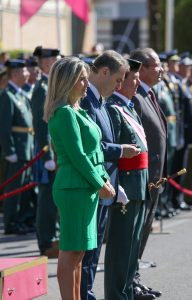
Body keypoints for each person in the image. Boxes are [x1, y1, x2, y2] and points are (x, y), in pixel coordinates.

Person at [43, 56, 115, 300]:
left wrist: (103, 179)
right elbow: (78, 156)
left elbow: (95, 153)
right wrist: (101, 183)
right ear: (67, 82)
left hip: (85, 187)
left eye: (86, 78)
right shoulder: (64, 113)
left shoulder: (78, 111)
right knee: (71, 253)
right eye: (81, 79)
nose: (86, 83)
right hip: (74, 187)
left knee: (80, 253)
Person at [80, 51, 140, 300]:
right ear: (104, 72)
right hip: (91, 184)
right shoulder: (86, 102)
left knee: (94, 250)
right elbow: (91, 147)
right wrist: (121, 150)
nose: (119, 86)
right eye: (117, 80)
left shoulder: (100, 102)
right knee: (86, 250)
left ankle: (88, 292)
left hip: (105, 182)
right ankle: (84, 294)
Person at [105, 58, 155, 300]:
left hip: (139, 182)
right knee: (121, 245)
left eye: (137, 79)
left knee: (133, 244)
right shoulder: (113, 108)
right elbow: (111, 153)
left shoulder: (129, 106)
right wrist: (117, 185)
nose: (136, 84)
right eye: (132, 80)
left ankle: (127, 290)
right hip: (125, 182)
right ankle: (116, 293)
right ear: (118, 82)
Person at [130, 48, 166, 299]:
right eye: (156, 65)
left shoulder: (148, 94)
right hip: (142, 177)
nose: (161, 69)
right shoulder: (134, 97)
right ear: (141, 69)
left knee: (143, 231)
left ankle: (135, 278)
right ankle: (129, 282)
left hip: (154, 177)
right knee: (134, 232)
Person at [31, 46, 61, 258]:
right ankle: (45, 241)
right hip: (47, 152)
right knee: (47, 198)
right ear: (47, 63)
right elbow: (42, 124)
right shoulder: (42, 88)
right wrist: (48, 155)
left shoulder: (50, 85)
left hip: (55, 150)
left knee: (53, 196)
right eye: (56, 61)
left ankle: (53, 236)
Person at [0, 59, 34, 235]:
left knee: (23, 187)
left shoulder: (20, 94)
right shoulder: (7, 95)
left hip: (26, 148)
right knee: (13, 188)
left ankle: (20, 219)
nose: (28, 74)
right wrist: (10, 150)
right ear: (14, 74)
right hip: (17, 150)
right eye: (24, 71)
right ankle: (10, 221)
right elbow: (4, 127)